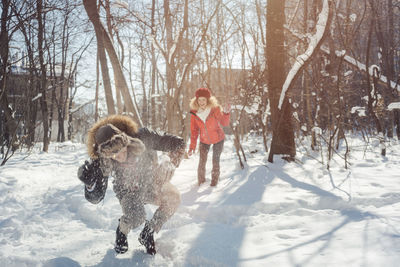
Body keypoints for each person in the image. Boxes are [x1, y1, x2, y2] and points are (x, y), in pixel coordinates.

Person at [77, 115, 185, 255]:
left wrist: (169, 160)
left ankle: (148, 233)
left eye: (121, 151)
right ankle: (122, 230)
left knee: (173, 198)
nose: (119, 157)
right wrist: (89, 184)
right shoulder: (101, 162)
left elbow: (179, 144)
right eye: (113, 156)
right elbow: (96, 197)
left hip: (151, 183)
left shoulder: (144, 137)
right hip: (128, 192)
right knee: (137, 217)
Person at [188, 88, 231, 186]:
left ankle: (214, 184)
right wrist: (192, 146)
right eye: (199, 100)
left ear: (208, 100)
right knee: (202, 162)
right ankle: (200, 182)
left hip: (218, 138)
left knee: (215, 161)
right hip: (204, 140)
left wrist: (226, 113)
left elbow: (224, 123)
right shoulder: (194, 113)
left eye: (203, 100)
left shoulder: (214, 109)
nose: (201, 102)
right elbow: (194, 131)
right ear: (196, 100)